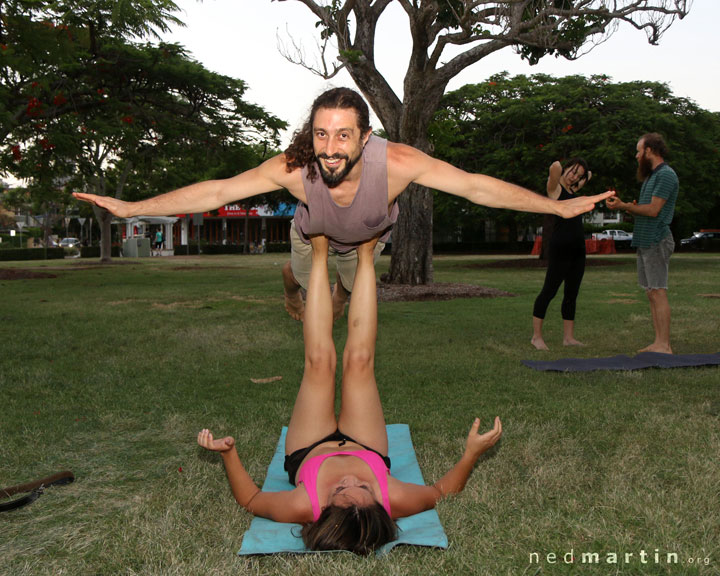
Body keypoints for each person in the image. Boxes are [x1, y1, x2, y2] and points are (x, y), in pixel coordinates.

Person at [73, 87, 613, 321]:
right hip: (311, 239)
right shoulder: (293, 165)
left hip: (365, 243)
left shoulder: (397, 161)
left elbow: (474, 185)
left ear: (364, 136)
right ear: (313, 133)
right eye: (322, 135)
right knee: (323, 312)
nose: (331, 149)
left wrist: (559, 209)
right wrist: (132, 207)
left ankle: (313, 283)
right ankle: (293, 277)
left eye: (343, 136)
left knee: (350, 308)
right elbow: (217, 191)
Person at [197, 233, 503, 555]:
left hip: (308, 448)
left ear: (321, 511)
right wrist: (471, 454)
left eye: (341, 490)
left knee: (319, 363)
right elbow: (442, 492)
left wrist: (228, 453)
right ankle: (367, 254)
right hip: (366, 443)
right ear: (380, 504)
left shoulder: (303, 505)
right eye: (364, 488)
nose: (351, 479)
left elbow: (252, 500)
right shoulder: (394, 499)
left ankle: (318, 250)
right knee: (359, 362)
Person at [606, 133, 679, 354]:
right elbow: (646, 209)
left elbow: (654, 210)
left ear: (649, 151)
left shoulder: (665, 175)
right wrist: (630, 206)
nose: (637, 156)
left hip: (657, 239)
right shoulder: (651, 177)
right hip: (646, 240)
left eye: (639, 151)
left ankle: (664, 345)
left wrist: (623, 206)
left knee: (658, 290)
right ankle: (658, 342)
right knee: (651, 292)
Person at [531, 158, 592, 351]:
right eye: (573, 171)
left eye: (579, 175)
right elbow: (554, 167)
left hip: (578, 249)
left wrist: (580, 177)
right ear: (567, 168)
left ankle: (568, 338)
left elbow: (589, 175)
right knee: (549, 291)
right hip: (560, 248)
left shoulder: (574, 192)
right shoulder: (555, 190)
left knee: (571, 294)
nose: (575, 176)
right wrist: (565, 172)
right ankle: (536, 337)